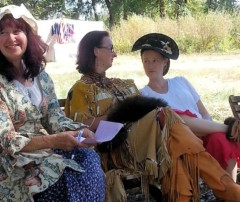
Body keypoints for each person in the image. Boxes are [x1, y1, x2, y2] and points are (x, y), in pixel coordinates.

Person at [0, 4, 105, 202]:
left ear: (28, 35)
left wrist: (79, 131)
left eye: (17, 31)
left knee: (88, 161)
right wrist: (55, 141)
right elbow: (5, 139)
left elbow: (53, 116)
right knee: (50, 187)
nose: (11, 38)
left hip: (36, 148)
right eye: (3, 32)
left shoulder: (40, 76)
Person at [65, 30, 240, 201]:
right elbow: (79, 127)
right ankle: (227, 189)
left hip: (151, 140)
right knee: (165, 117)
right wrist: (120, 113)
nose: (115, 53)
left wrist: (133, 110)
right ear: (96, 51)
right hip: (118, 149)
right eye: (110, 48)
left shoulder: (122, 83)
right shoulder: (81, 90)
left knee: (174, 146)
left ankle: (223, 190)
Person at [133, 32, 240, 182]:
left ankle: (231, 193)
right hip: (179, 140)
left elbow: (204, 113)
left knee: (221, 141)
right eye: (146, 61)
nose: (150, 65)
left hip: (205, 132)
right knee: (173, 115)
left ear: (165, 61)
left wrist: (206, 130)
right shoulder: (144, 94)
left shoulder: (181, 81)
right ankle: (230, 129)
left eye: (155, 60)